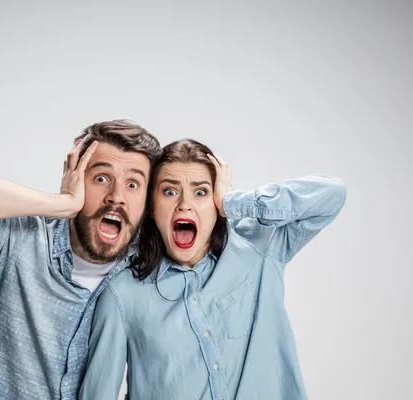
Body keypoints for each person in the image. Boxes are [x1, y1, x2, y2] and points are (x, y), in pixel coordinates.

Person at [79, 139, 347, 400]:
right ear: (151, 207)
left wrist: (232, 202)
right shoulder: (121, 295)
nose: (185, 204)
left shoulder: (260, 248)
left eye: (201, 192)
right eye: (170, 192)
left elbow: (333, 193)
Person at [0, 120, 161, 399]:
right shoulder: (18, 241)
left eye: (133, 184)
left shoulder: (148, 271)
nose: (116, 197)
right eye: (101, 178)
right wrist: (63, 204)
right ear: (75, 178)